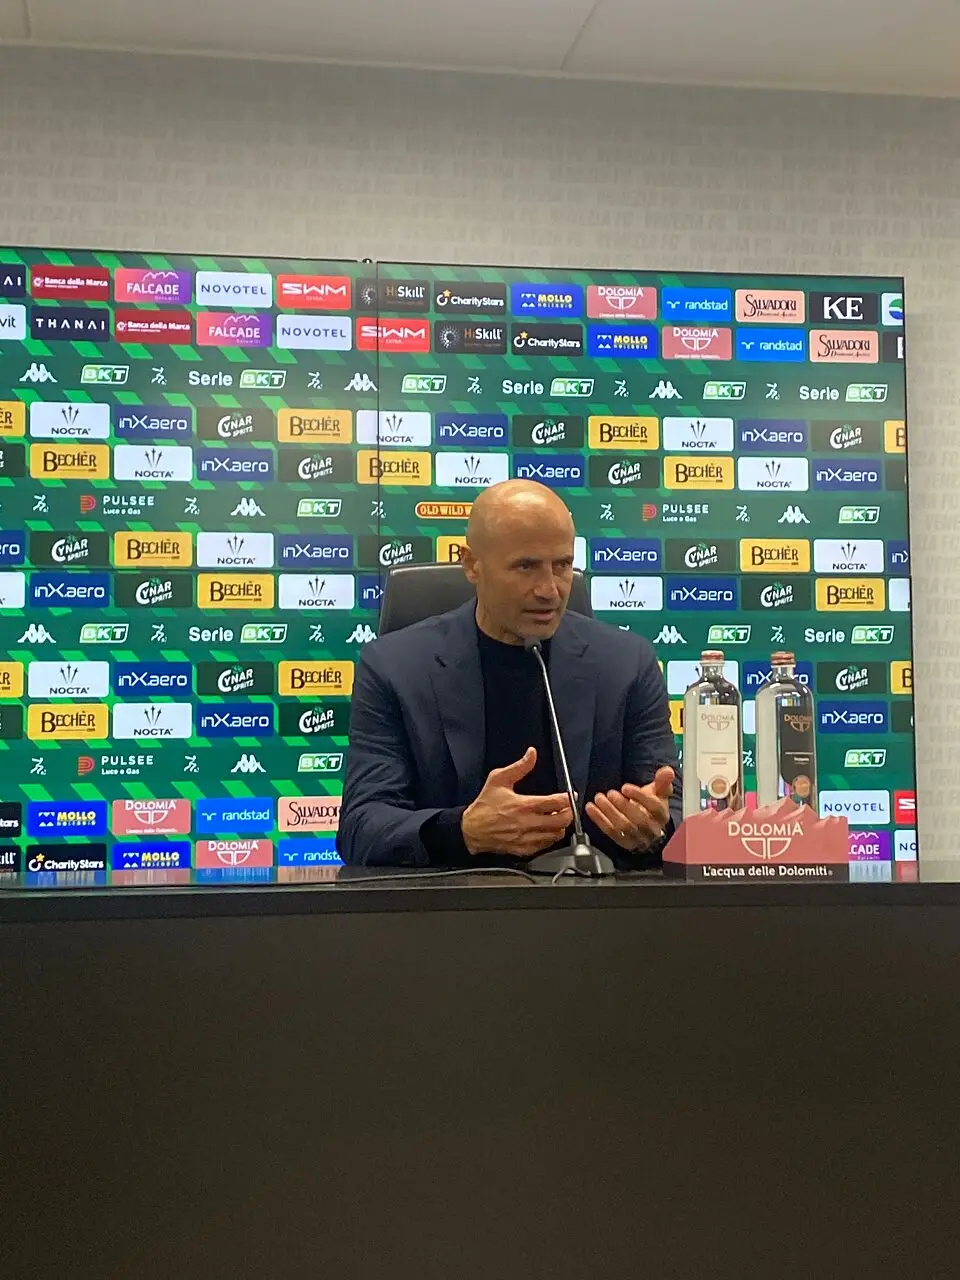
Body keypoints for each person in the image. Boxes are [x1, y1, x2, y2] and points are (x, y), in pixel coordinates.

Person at [337, 480, 681, 869]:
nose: (549, 590)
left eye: (562, 565)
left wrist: (655, 830)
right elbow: (361, 828)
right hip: (454, 902)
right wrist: (463, 830)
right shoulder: (394, 666)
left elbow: (672, 809)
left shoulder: (627, 663)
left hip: (594, 901)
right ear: (472, 565)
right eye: (526, 566)